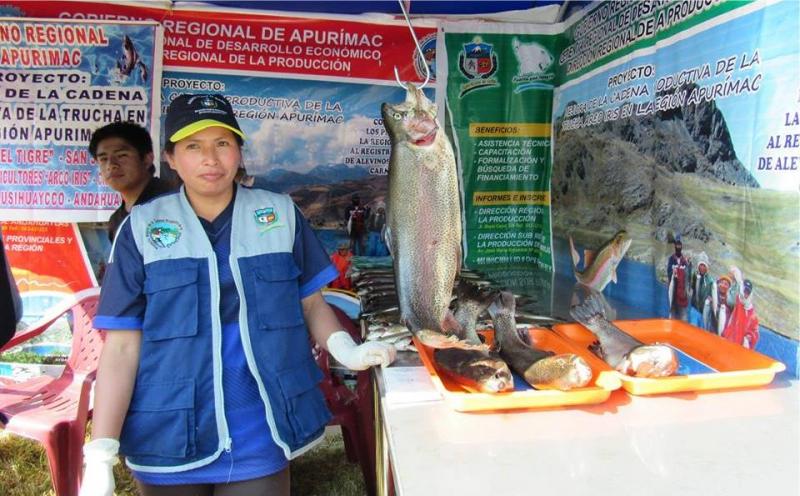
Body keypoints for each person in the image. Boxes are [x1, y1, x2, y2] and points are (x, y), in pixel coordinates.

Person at [80, 93, 396, 496]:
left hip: (260, 424)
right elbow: (122, 346)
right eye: (193, 146)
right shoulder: (141, 228)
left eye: (223, 144)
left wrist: (345, 349)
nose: (210, 159)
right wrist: (102, 451)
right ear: (171, 158)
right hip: (169, 425)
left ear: (239, 152)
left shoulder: (279, 214)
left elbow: (311, 303)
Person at [89, 121, 174, 242]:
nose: (111, 165)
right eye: (103, 159)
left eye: (122, 155)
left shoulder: (173, 202)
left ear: (146, 159)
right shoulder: (116, 220)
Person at [722, 272, 759, 349]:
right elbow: (730, 300)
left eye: (748, 292)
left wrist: (750, 337)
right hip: (728, 340)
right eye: (744, 290)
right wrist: (737, 278)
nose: (745, 294)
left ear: (750, 294)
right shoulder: (737, 300)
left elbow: (755, 332)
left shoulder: (753, 315)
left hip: (740, 346)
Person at [689, 252, 716, 332]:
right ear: (698, 266)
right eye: (701, 265)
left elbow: (713, 296)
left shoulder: (711, 281)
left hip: (704, 310)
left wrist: (711, 299)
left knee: (703, 330)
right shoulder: (695, 275)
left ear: (707, 267)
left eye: (704, 265)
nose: (702, 268)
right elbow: (690, 286)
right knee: (693, 328)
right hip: (694, 308)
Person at [667, 236, 691, 321]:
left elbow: (688, 278)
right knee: (672, 317)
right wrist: (672, 273)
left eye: (679, 245)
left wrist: (689, 265)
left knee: (683, 320)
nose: (678, 247)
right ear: (674, 246)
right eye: (677, 245)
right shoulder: (671, 259)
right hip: (673, 293)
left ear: (681, 246)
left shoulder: (685, 261)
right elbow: (669, 274)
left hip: (682, 297)